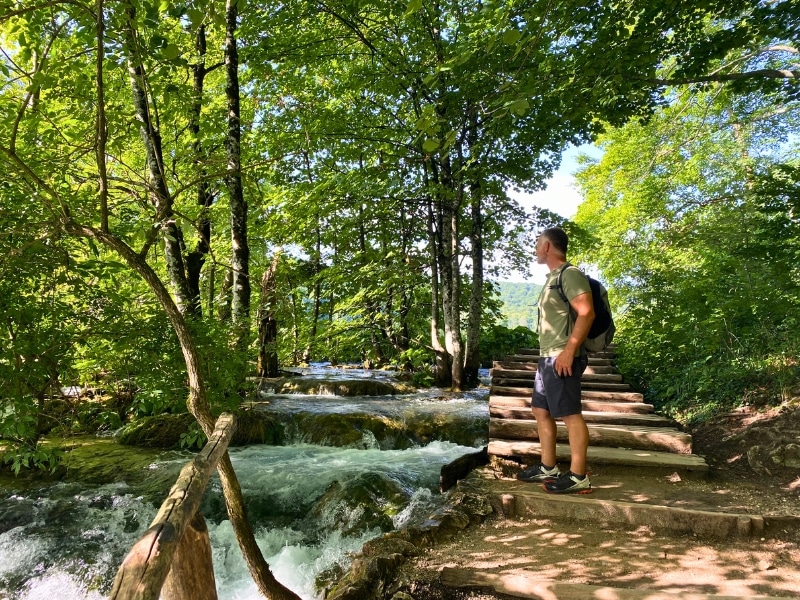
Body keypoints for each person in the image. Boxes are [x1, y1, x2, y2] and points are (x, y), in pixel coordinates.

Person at [516, 227, 594, 494]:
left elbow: (586, 312)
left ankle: (578, 475)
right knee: (541, 410)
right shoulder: (553, 278)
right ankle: (548, 467)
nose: (536, 248)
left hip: (562, 357)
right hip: (547, 357)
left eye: (538, 243)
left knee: (570, 415)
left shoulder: (570, 275)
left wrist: (569, 351)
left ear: (548, 246)